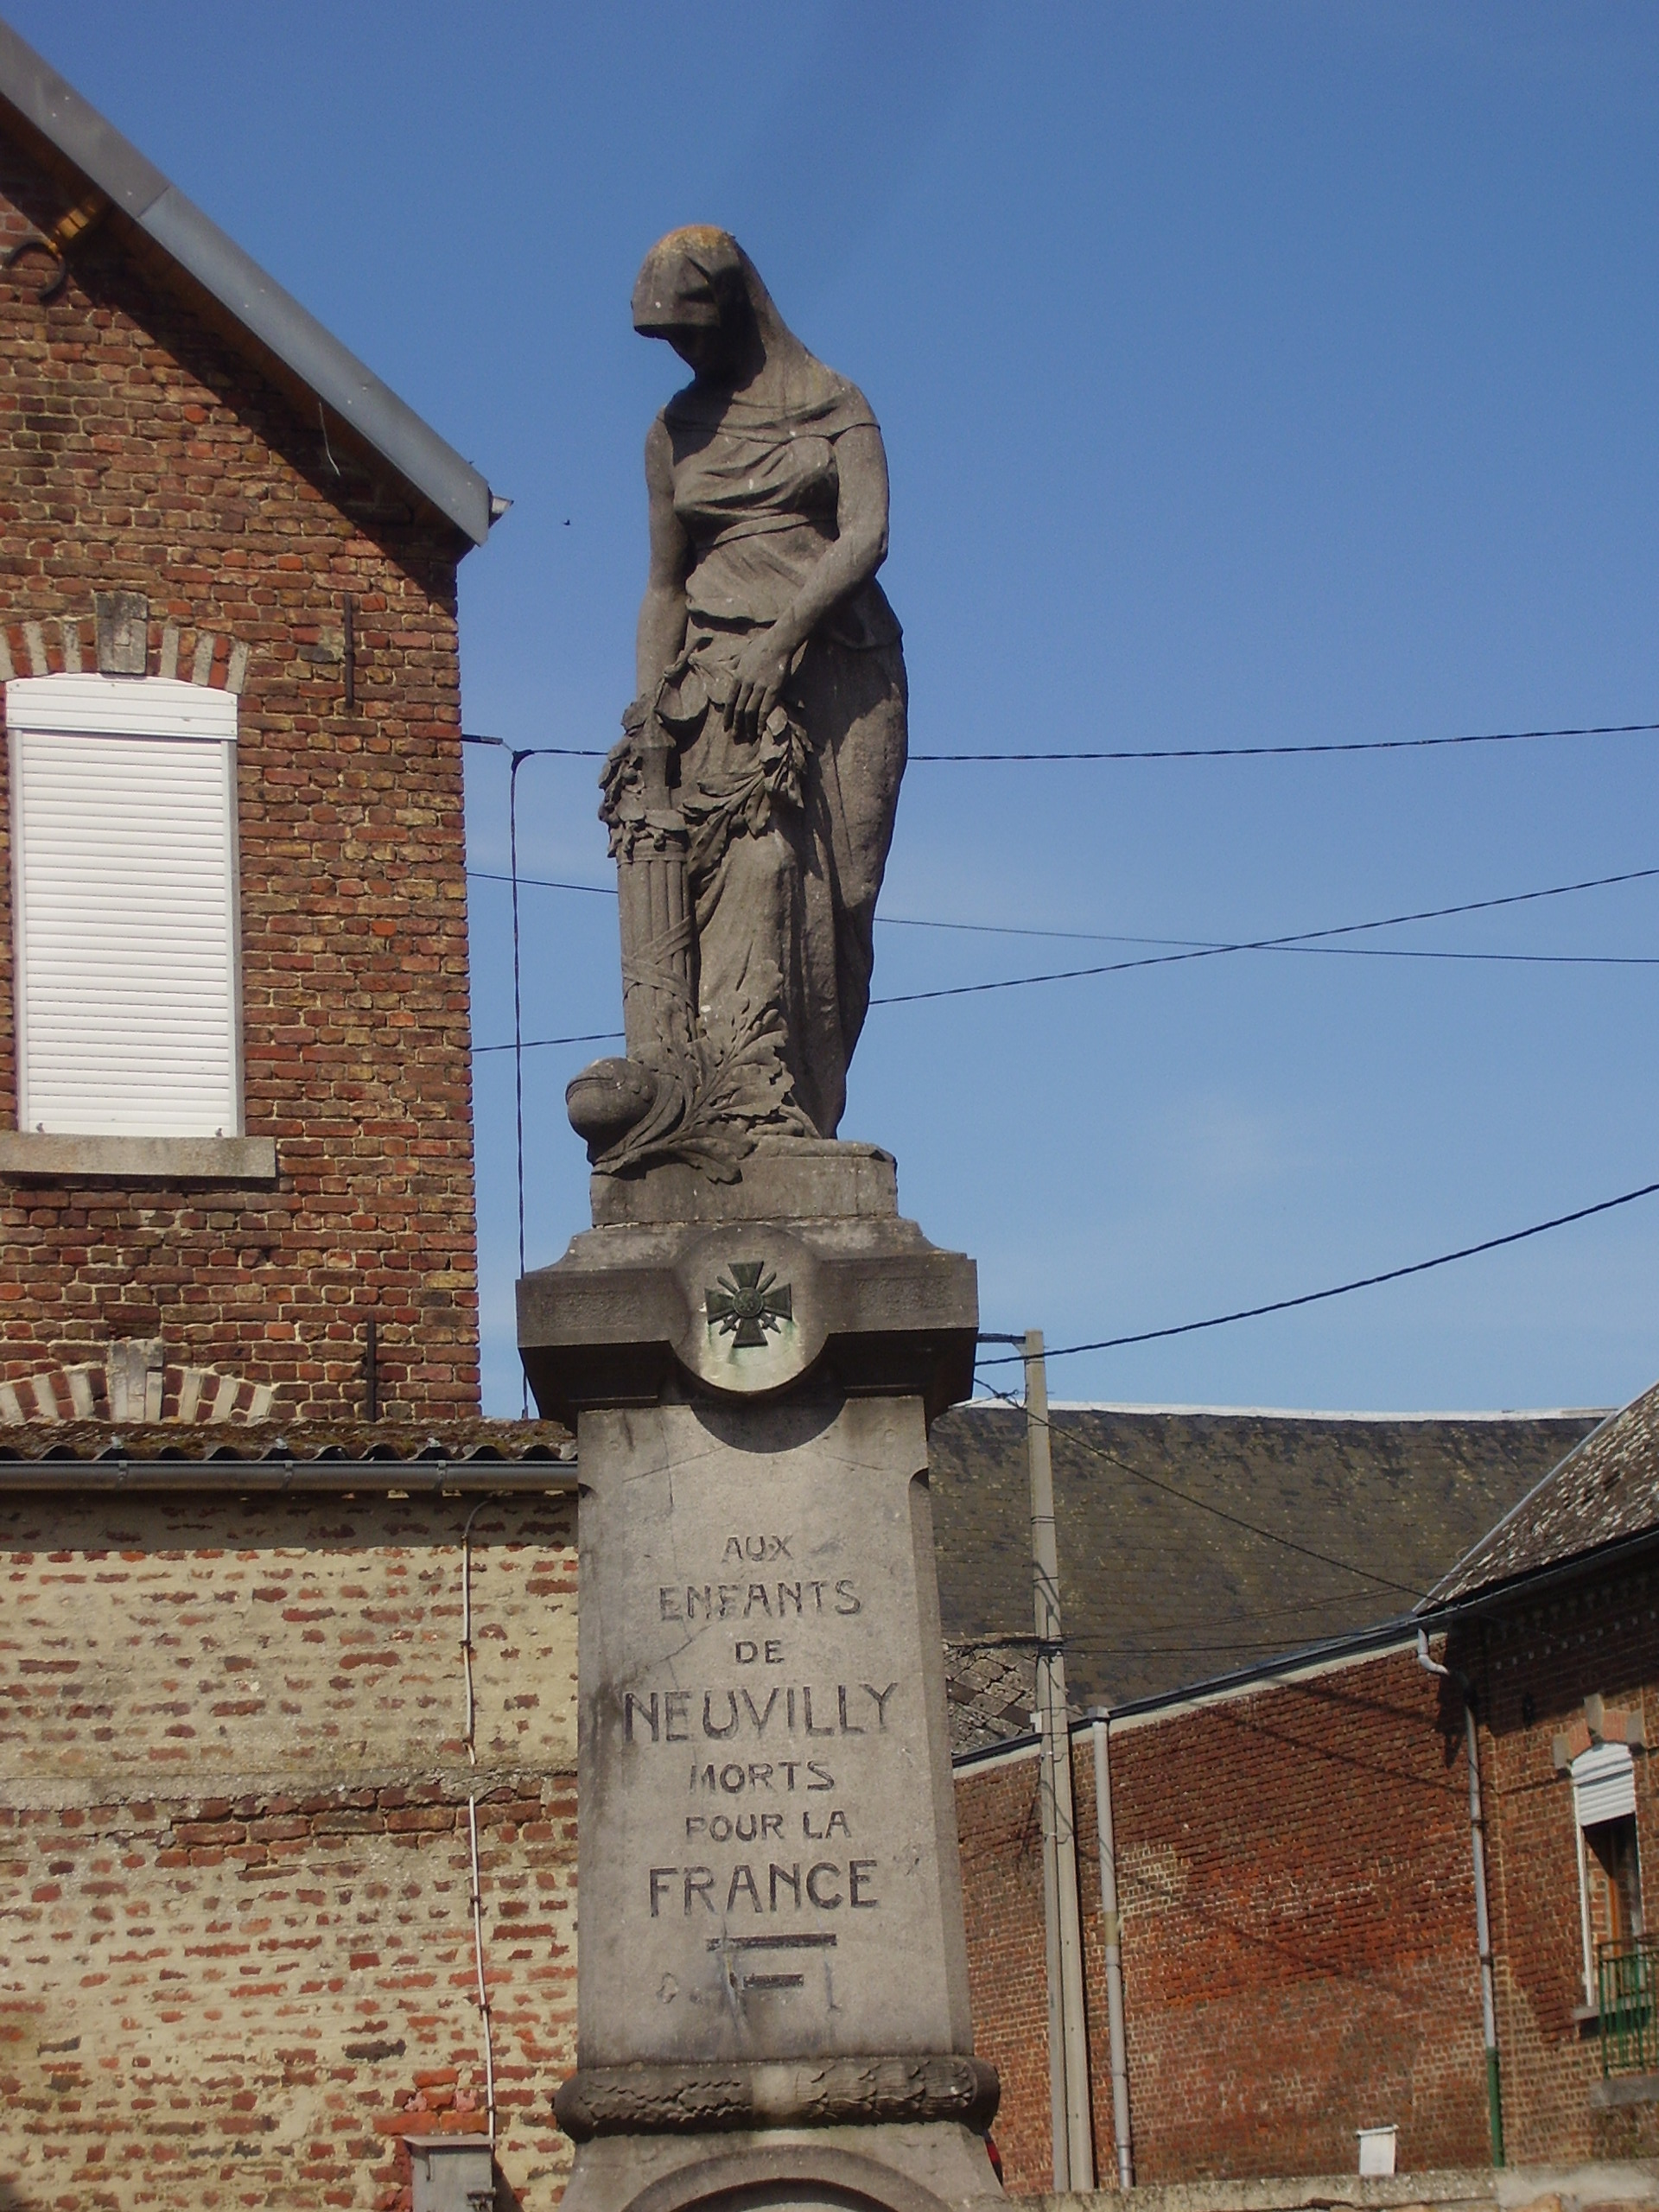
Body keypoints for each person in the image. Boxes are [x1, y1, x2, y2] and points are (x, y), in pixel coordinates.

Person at [614, 225, 907, 1143]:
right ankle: (743, 1106)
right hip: (717, 687)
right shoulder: (671, 432)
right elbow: (664, 584)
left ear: (739, 307)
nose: (686, 355)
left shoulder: (835, 404)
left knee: (842, 898)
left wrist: (783, 640)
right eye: (669, 343)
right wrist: (649, 716)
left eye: (695, 331)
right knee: (747, 881)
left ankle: (812, 1122)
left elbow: (866, 536)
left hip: (840, 673)